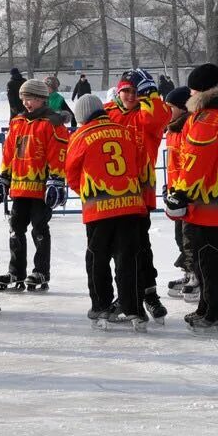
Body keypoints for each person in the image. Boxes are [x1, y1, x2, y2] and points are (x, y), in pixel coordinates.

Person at [163, 63, 218, 333]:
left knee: (209, 261)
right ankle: (208, 307)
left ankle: (217, 313)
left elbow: (197, 159)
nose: (189, 94)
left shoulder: (210, 117)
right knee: (212, 260)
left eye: (192, 89)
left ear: (201, 90)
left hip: (210, 200)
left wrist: (180, 193)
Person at [65, 94, 148, 330]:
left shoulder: (81, 135)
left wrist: (88, 194)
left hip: (99, 208)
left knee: (97, 258)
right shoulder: (125, 131)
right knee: (128, 259)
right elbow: (139, 163)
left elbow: (71, 172)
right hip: (130, 205)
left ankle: (101, 305)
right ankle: (133, 308)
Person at [104, 68, 170, 322]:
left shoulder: (148, 113)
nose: (131, 96)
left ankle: (149, 294)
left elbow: (159, 119)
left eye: (136, 92)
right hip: (112, 193)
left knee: (141, 245)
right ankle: (127, 294)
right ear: (119, 91)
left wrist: (151, 94)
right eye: (127, 91)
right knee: (119, 249)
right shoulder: (108, 112)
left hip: (140, 192)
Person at [0, 79, 69, 292]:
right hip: (19, 187)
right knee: (15, 229)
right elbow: (9, 152)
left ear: (43, 99)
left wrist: (56, 180)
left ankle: (41, 271)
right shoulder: (18, 122)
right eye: (25, 98)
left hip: (41, 189)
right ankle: (16, 270)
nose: (27, 103)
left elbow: (58, 153)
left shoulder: (52, 123)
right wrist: (4, 177)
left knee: (39, 229)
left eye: (33, 99)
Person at [163, 86, 195, 299]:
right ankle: (188, 271)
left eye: (171, 107)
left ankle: (196, 274)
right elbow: (173, 163)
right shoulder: (172, 130)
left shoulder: (188, 128)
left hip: (187, 192)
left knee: (190, 236)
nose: (167, 111)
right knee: (179, 236)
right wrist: (168, 187)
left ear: (183, 109)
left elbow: (190, 163)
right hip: (175, 190)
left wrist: (184, 189)